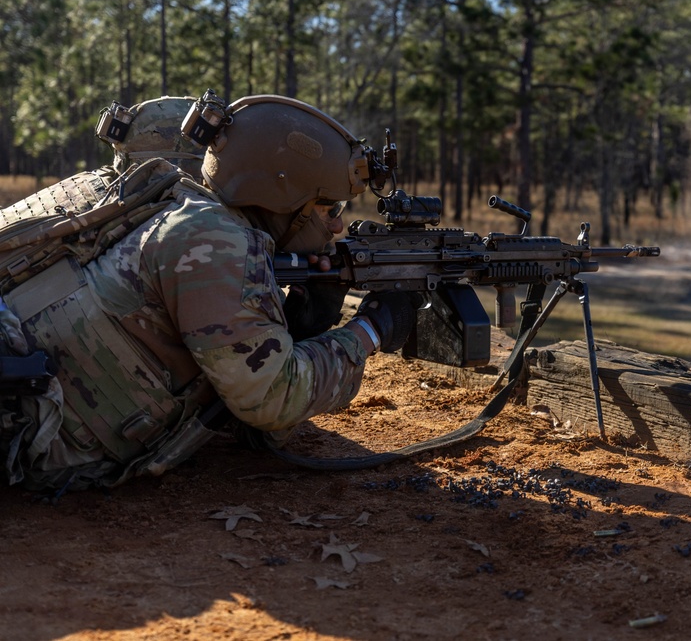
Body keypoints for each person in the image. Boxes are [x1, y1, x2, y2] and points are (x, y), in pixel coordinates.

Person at [0, 93, 417, 493]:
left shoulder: (157, 198)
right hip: (24, 430)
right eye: (332, 209)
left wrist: (303, 324)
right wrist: (374, 328)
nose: (339, 227)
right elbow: (273, 400)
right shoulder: (215, 240)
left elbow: (237, 403)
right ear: (288, 198)